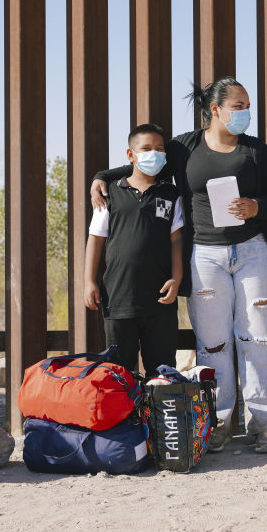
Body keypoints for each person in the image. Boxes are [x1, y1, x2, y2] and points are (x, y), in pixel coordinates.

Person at [91, 77, 267, 454]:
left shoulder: (255, 151)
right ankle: (217, 424)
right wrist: (102, 177)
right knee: (212, 346)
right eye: (239, 105)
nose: (246, 112)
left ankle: (266, 426)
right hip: (206, 256)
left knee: (258, 340)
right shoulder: (185, 146)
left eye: (248, 106)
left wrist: (256, 207)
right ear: (215, 110)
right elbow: (144, 165)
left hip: (252, 253)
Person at [84, 123, 184, 375]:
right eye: (146, 148)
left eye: (160, 149)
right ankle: (126, 417)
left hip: (160, 300)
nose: (154, 153)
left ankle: (158, 416)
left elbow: (176, 240)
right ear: (130, 155)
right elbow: (95, 238)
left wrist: (177, 277)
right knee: (119, 372)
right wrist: (89, 281)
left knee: (161, 373)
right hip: (118, 297)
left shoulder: (171, 195)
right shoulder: (109, 194)